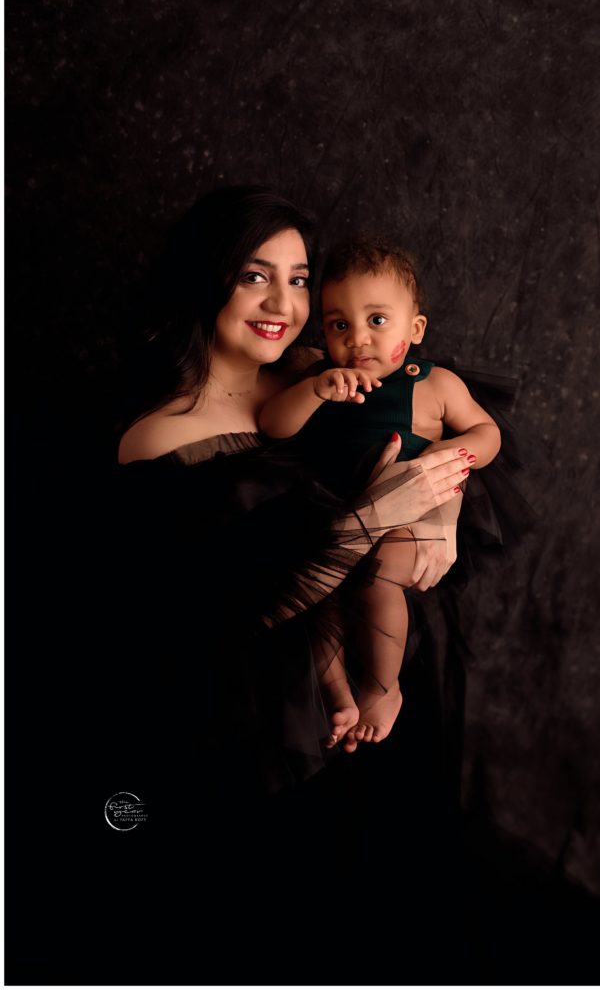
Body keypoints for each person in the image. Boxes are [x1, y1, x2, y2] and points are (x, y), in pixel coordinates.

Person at [113, 186, 470, 809]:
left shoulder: (318, 368)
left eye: (300, 279)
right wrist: (367, 523)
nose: (283, 303)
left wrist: (445, 512)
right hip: (278, 723)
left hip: (392, 667)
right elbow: (213, 616)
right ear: (206, 279)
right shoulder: (160, 440)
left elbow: (437, 427)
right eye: (255, 276)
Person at [258, 237, 501, 751]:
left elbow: (488, 433)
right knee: (317, 601)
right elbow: (273, 425)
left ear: (414, 329)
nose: (357, 340)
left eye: (376, 321)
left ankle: (382, 687)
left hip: (405, 519)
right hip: (336, 513)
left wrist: (455, 454)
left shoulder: (434, 384)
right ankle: (337, 689)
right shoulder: (327, 381)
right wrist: (316, 391)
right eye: (339, 324)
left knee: (376, 579)